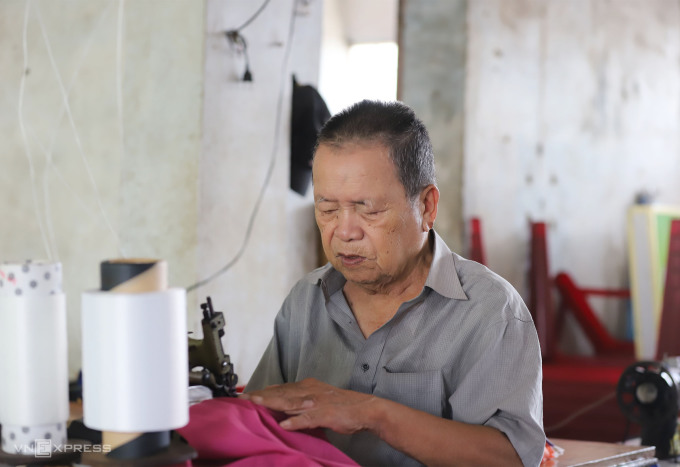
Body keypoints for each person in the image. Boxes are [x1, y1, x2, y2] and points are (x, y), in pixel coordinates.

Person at [243, 100, 545, 466]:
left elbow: (511, 459)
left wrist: (373, 414)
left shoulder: (490, 312)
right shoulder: (306, 301)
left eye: (369, 210)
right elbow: (255, 427)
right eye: (327, 210)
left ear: (427, 207)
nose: (345, 231)